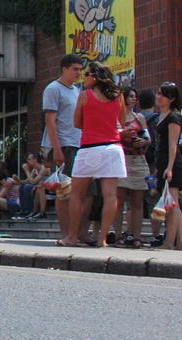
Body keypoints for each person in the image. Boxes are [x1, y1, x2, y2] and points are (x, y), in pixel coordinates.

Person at [68, 61, 126, 248]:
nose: (84, 78)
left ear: (94, 77)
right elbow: (121, 122)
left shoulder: (85, 96)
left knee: (77, 194)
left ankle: (71, 236)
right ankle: (102, 239)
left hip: (90, 147)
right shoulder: (118, 96)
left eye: (86, 75)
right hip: (113, 148)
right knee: (111, 195)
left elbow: (77, 123)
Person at [42, 54, 84, 245]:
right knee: (64, 191)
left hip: (79, 143)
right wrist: (57, 150)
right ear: (64, 69)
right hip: (63, 144)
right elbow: (50, 122)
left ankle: (78, 232)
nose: (78, 73)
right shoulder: (53, 89)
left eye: (80, 69)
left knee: (79, 191)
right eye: (75, 69)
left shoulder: (77, 90)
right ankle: (66, 233)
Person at [115, 85, 151, 247]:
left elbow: (148, 138)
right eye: (130, 96)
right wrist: (121, 134)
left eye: (135, 96)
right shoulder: (117, 117)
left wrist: (143, 141)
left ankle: (137, 237)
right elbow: (110, 135)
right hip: (122, 158)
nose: (134, 99)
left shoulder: (140, 118)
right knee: (119, 200)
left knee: (138, 201)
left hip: (139, 160)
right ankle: (118, 236)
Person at [153, 83, 182, 250]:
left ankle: (170, 242)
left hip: (172, 162)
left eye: (163, 95)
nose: (159, 97)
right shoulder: (161, 116)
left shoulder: (173, 117)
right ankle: (178, 243)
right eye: (158, 93)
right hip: (163, 162)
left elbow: (173, 145)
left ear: (172, 98)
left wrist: (169, 167)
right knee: (173, 204)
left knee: (172, 204)